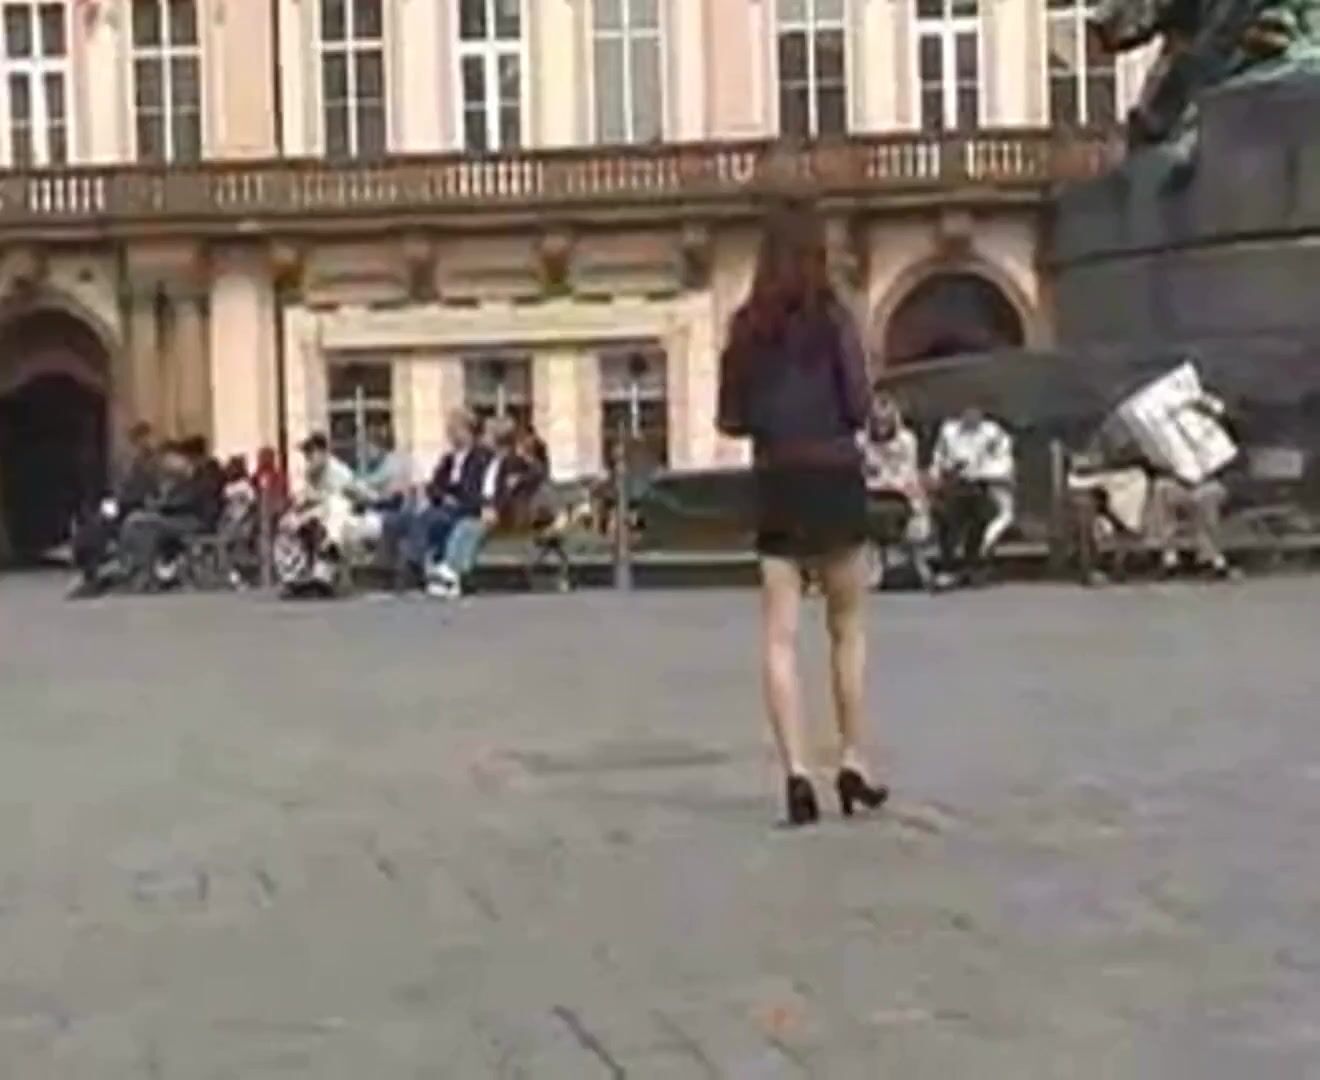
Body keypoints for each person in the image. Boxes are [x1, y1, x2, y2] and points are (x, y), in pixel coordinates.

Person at [716, 200, 889, 827]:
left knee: (779, 636)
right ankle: (853, 760)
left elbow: (730, 418)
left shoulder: (746, 327)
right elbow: (859, 404)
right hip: (835, 475)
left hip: (778, 479)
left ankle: (796, 773)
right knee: (847, 628)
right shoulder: (834, 319)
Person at [425, 416, 525, 598]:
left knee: (467, 528)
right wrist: (483, 505)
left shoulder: (511, 461)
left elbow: (507, 492)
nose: (482, 438)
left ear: (497, 439)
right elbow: (483, 490)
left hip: (503, 514)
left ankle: (454, 572)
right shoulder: (490, 460)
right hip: (483, 510)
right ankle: (452, 572)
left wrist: (494, 507)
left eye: (486, 435)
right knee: (464, 527)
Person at [397, 409, 491, 589]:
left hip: (467, 507)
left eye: (454, 430)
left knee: (428, 519)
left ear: (467, 430)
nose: (451, 435)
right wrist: (443, 496)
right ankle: (416, 564)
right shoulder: (448, 459)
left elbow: (476, 488)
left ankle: (414, 565)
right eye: (449, 430)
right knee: (415, 517)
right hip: (445, 506)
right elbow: (434, 486)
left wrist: (454, 497)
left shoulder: (481, 457)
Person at [929, 403, 1015, 587]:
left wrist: (978, 472)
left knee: (984, 513)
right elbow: (938, 459)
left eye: (975, 411)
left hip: (985, 484)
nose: (971, 414)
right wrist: (940, 474)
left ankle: (974, 564)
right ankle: (949, 567)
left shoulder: (993, 433)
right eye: (967, 411)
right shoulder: (949, 431)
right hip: (954, 483)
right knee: (948, 514)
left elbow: (1004, 462)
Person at [70, 421, 159, 597]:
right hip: (125, 503)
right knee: (94, 524)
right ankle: (90, 565)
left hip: (135, 504)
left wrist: (119, 500)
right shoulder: (135, 461)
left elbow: (142, 489)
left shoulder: (149, 462)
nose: (140, 445)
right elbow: (125, 487)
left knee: (100, 525)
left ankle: (95, 567)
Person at [862, 392, 934, 589]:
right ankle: (875, 567)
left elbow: (907, 472)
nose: (881, 426)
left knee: (917, 517)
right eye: (877, 421)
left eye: (886, 421)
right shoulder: (862, 441)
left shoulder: (906, 441)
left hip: (901, 492)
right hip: (872, 492)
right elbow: (862, 472)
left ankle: (919, 566)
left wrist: (889, 482)